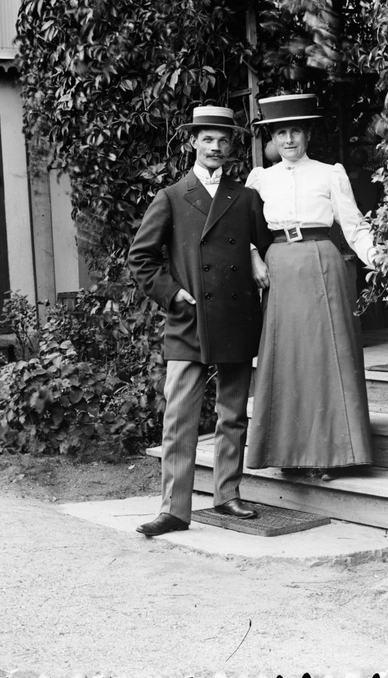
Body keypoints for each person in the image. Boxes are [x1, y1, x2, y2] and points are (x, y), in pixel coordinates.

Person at [127, 105, 271, 536]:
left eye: (223, 140)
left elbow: (263, 249)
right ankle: (174, 509)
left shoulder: (246, 198)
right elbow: (141, 258)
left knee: (233, 414)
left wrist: (253, 254)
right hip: (188, 317)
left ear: (231, 147)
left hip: (235, 315)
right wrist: (173, 293)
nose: (215, 147)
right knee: (179, 416)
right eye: (207, 139)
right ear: (193, 142)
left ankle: (227, 496)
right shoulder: (171, 196)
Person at [243, 93, 381, 476]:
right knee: (287, 358)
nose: (288, 140)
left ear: (307, 134)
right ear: (272, 138)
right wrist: (253, 256)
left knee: (325, 357)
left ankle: (333, 455)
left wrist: (379, 258)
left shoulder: (329, 173)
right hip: (280, 268)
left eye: (296, 132)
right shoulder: (260, 179)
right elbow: (244, 230)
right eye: (281, 133)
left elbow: (354, 226)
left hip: (322, 262)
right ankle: (289, 455)